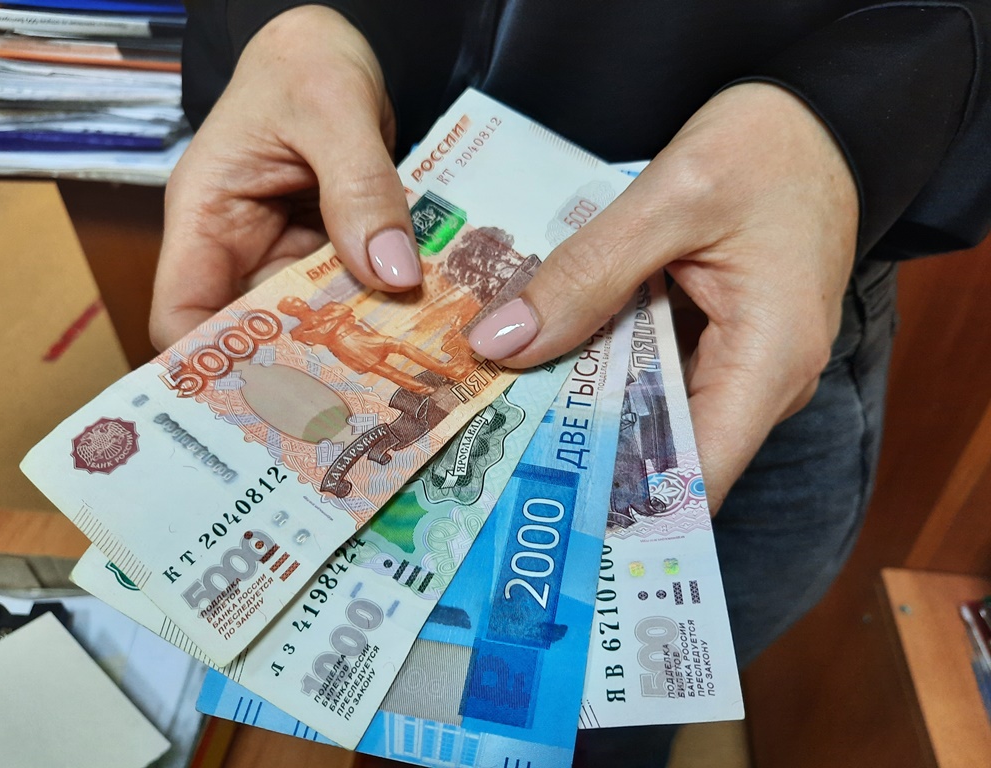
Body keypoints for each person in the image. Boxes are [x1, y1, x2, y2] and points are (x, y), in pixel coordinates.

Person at [150, 3, 991, 764]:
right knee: (388, 696)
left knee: (596, 729)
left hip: (728, 312)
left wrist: (842, 121)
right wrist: (291, 23)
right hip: (342, 226)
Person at [277, 295, 466, 393]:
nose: (299, 302)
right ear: (290, 311)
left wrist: (326, 326)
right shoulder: (297, 332)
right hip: (347, 348)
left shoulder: (328, 307)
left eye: (297, 299)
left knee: (401, 345)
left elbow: (345, 310)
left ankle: (444, 369)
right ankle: (423, 390)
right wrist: (332, 324)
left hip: (361, 336)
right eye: (293, 304)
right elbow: (321, 336)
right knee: (386, 370)